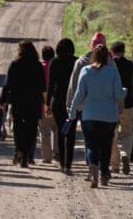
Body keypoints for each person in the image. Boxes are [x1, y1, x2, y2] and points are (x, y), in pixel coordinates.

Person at [71, 44, 125, 188]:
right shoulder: (113, 72)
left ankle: (93, 170)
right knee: (106, 145)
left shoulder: (85, 71)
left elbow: (78, 93)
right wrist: (123, 94)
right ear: (108, 57)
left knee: (91, 145)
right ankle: (104, 173)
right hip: (109, 115)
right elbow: (119, 94)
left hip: (89, 115)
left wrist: (72, 111)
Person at [0, 40, 46, 168]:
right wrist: (46, 103)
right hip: (34, 102)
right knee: (31, 130)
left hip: (18, 101)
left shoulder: (15, 64)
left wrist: (2, 101)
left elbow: (7, 85)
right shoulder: (38, 66)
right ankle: (26, 156)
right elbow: (43, 87)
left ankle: (19, 150)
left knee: (18, 128)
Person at [47, 38, 79, 175]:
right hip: (72, 101)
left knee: (61, 131)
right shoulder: (76, 62)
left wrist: (48, 103)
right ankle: (68, 164)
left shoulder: (54, 62)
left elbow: (50, 84)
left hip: (58, 101)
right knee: (71, 133)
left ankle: (61, 162)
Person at [109, 42, 133, 174]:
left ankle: (115, 164)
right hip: (128, 103)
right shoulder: (131, 65)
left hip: (112, 104)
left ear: (112, 51)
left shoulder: (109, 65)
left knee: (112, 134)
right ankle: (125, 153)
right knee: (127, 133)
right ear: (124, 51)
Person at [38, 46, 57, 164]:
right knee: (56, 130)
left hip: (42, 104)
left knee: (44, 131)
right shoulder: (56, 67)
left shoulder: (39, 67)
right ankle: (57, 154)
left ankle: (46, 157)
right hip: (56, 103)